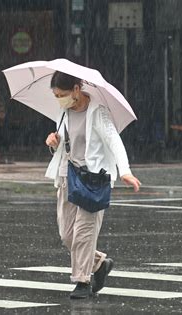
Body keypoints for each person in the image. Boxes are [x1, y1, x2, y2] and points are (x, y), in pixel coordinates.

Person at [45, 71, 141, 298]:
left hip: (93, 180)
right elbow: (61, 146)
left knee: (83, 234)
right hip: (68, 177)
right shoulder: (63, 113)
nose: (59, 99)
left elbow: (114, 141)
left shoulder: (98, 112)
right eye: (56, 95)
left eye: (62, 94)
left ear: (77, 89)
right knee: (67, 235)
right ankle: (99, 263)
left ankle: (82, 282)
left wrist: (124, 171)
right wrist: (53, 143)